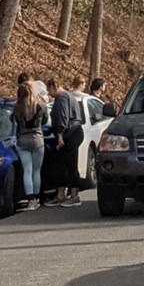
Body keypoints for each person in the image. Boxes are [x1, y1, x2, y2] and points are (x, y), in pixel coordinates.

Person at [49, 75, 88, 207]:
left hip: (71, 133)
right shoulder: (68, 96)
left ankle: (75, 195)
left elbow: (62, 117)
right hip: (73, 132)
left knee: (71, 164)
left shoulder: (61, 98)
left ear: (53, 87)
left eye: (49, 91)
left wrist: (59, 135)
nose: (49, 95)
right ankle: (60, 194)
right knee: (62, 164)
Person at [11, 82, 46, 210]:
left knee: (27, 170)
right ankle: (37, 198)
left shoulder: (17, 108)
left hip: (22, 140)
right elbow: (45, 121)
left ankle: (30, 199)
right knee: (37, 171)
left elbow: (12, 121)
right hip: (37, 140)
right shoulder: (38, 106)